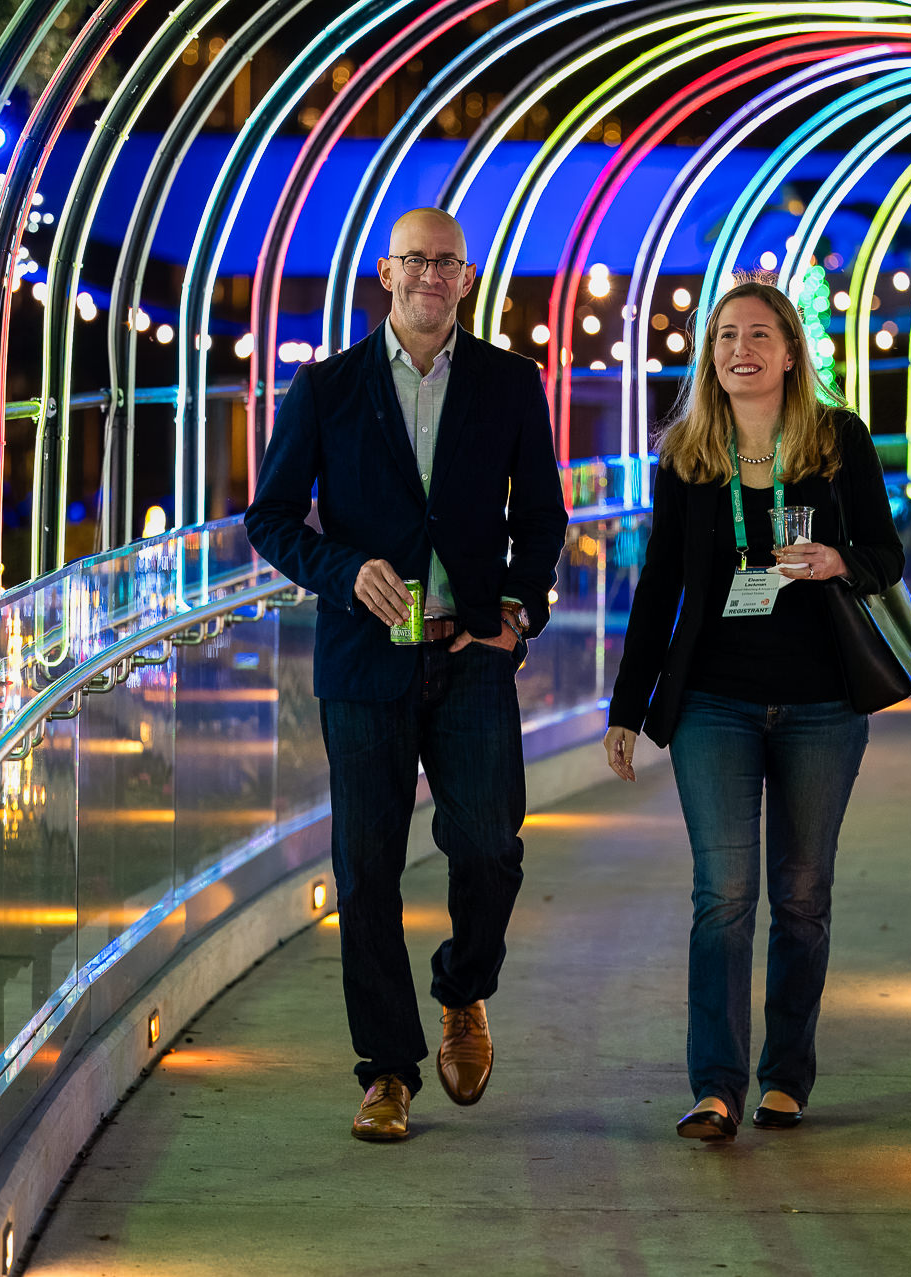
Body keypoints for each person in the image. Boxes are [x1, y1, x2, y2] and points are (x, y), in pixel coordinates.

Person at [245, 207, 567, 1141]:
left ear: (467, 280)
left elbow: (541, 517)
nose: (431, 275)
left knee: (490, 845)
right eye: (415, 260)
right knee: (368, 867)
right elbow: (268, 520)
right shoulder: (326, 387)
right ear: (386, 273)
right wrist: (346, 572)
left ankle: (465, 990)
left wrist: (516, 610)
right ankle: (387, 1068)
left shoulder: (511, 383)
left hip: (471, 657)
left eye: (448, 263)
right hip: (363, 661)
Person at [602, 279, 904, 1141]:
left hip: (820, 703)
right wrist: (630, 706)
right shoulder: (690, 451)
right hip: (713, 703)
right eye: (727, 335)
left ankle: (786, 1076)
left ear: (791, 350)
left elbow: (888, 553)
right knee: (723, 895)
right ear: (712, 354)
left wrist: (838, 560)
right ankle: (716, 1085)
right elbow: (658, 586)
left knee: (802, 897)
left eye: (760, 335)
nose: (742, 349)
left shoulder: (838, 441)